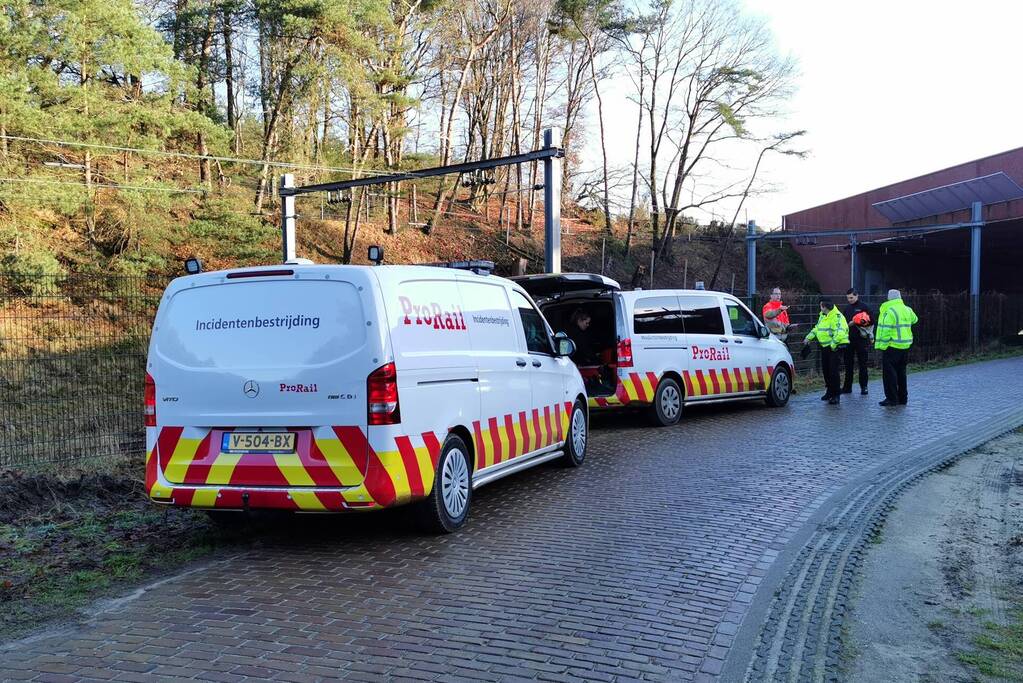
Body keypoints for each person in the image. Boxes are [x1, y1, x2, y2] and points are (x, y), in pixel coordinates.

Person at [875, 289, 918, 407]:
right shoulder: (907, 309)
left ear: (889, 298)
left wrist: (882, 346)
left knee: (890, 374)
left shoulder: (889, 310)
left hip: (892, 346)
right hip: (905, 346)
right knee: (901, 373)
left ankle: (892, 399)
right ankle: (903, 398)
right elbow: (915, 319)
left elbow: (885, 330)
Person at [803, 298, 849, 405]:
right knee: (826, 370)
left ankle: (836, 395)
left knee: (833, 371)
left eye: (821, 306)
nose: (820, 307)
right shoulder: (823, 315)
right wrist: (809, 337)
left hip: (835, 347)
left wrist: (832, 346)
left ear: (825, 307)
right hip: (824, 347)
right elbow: (818, 328)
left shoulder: (837, 317)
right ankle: (829, 391)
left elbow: (840, 333)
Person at [841, 288, 873, 395]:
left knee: (862, 364)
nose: (849, 300)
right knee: (848, 364)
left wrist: (858, 322)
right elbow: (843, 323)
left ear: (857, 296)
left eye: (851, 297)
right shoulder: (847, 308)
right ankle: (847, 387)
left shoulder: (864, 307)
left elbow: (872, 321)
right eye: (848, 298)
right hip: (848, 340)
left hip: (861, 340)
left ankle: (864, 387)